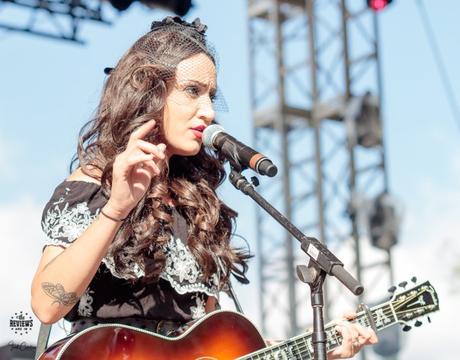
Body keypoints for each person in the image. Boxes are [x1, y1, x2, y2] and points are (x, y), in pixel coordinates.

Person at [30, 16, 377, 359]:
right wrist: (116, 209)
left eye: (210, 95)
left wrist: (317, 344)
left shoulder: (197, 204)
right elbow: (47, 305)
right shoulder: (91, 186)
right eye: (192, 91)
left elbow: (211, 340)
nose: (208, 111)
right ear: (148, 93)